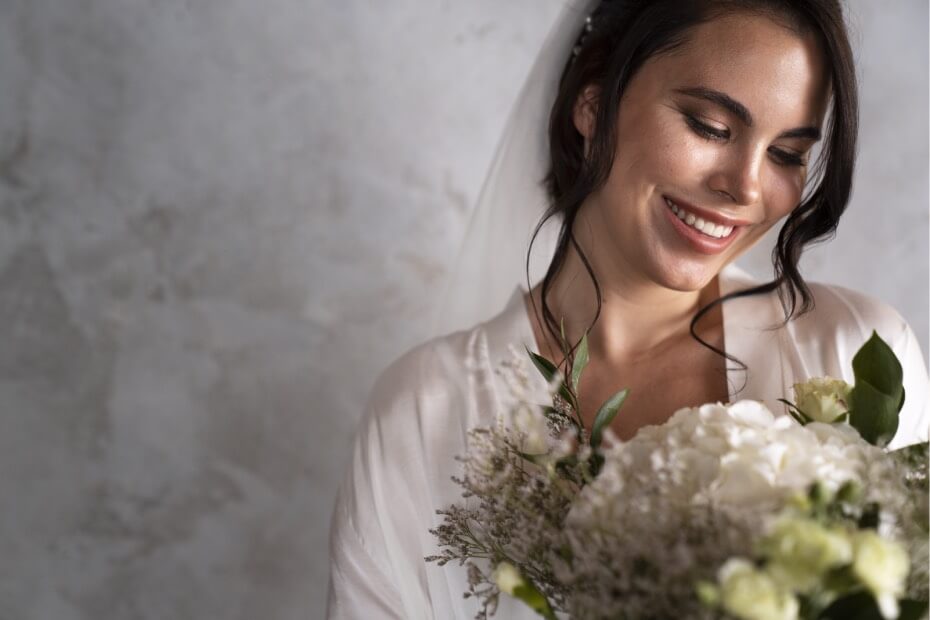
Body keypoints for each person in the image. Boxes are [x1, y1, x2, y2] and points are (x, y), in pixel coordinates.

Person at [327, 1, 929, 618]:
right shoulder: (422, 414)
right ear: (593, 104)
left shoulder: (856, 357)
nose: (746, 188)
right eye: (711, 126)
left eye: (786, 154)